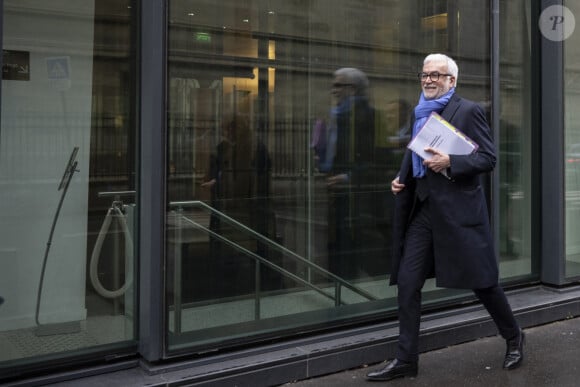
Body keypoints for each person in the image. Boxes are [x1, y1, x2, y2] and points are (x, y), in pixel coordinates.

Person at [366, 53, 525, 382]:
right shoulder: (418, 111)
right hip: (424, 211)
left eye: (437, 75)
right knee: (408, 283)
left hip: (459, 212)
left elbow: (488, 158)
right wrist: (402, 179)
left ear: (452, 80)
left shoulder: (468, 110)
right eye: (425, 74)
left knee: (483, 282)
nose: (428, 80)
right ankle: (406, 360)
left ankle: (514, 337)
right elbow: (415, 152)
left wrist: (451, 161)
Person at [319, 67, 385, 279]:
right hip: (339, 196)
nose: (334, 90)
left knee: (355, 251)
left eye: (338, 85)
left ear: (353, 89)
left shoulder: (370, 117)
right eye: (333, 85)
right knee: (339, 248)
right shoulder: (337, 116)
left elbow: (379, 161)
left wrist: (348, 178)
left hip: (360, 199)